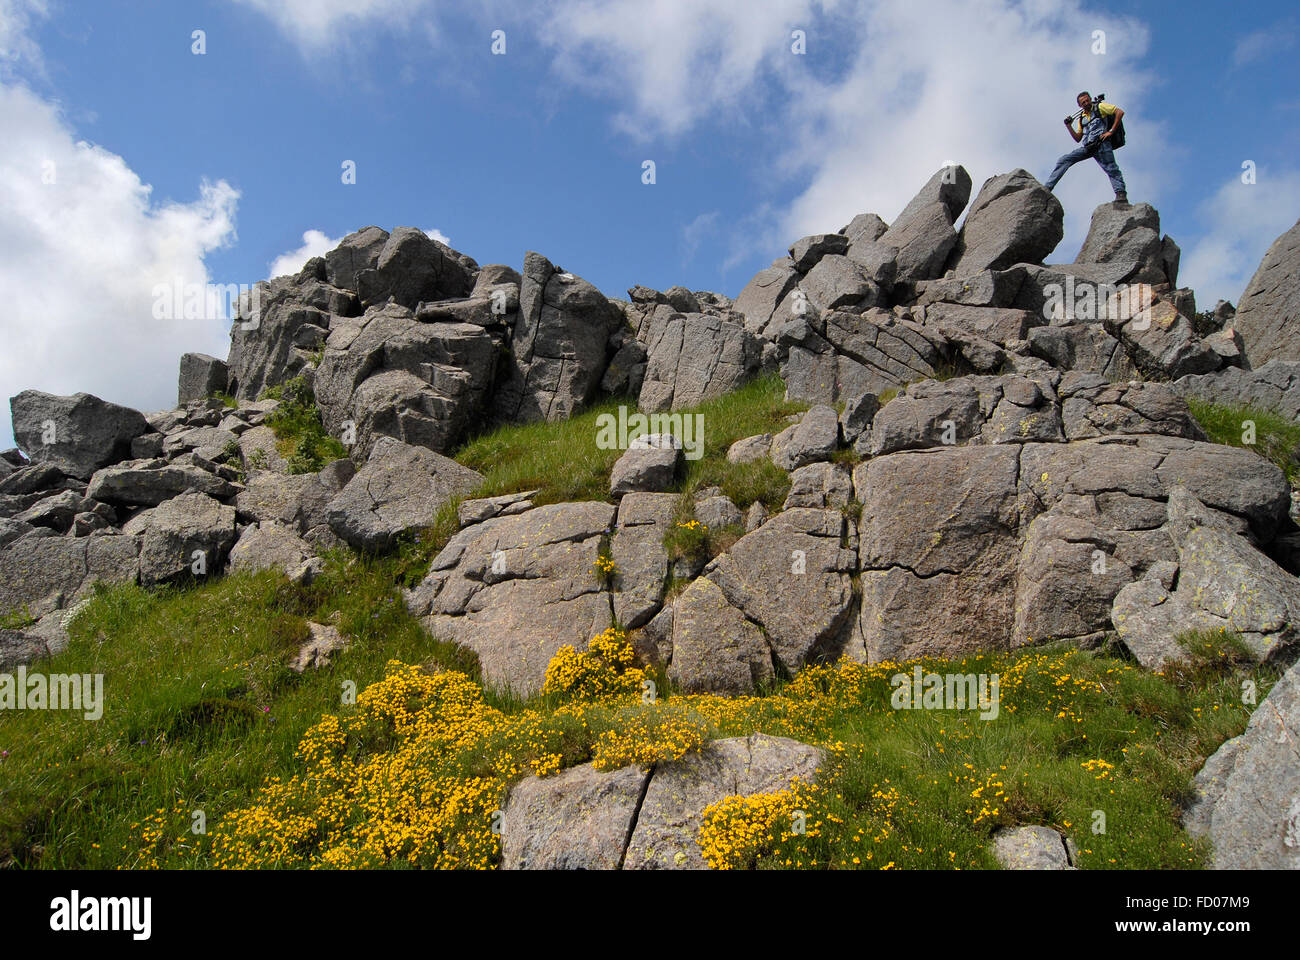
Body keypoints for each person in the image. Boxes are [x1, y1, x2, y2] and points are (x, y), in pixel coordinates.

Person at [1045, 91, 1128, 203]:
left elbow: (1119, 112)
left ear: (1090, 99)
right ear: (1080, 105)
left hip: (1102, 144)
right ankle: (1047, 187)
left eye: (1087, 100)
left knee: (1111, 168)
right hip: (1088, 147)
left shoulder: (1100, 107)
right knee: (1064, 160)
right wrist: (1069, 126)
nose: (1086, 103)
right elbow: (1078, 138)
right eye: (1083, 102)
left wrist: (1111, 131)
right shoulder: (1081, 117)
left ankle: (1121, 194)